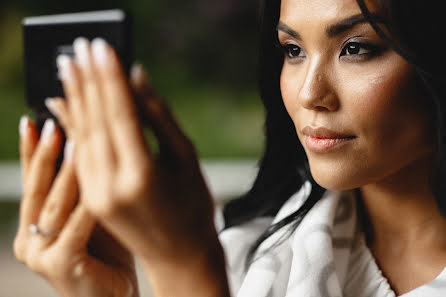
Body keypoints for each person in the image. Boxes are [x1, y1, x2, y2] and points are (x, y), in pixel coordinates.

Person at [12, 0, 446, 296]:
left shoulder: (209, 261)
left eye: (355, 48)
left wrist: (184, 267)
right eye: (292, 50)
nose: (309, 93)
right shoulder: (247, 253)